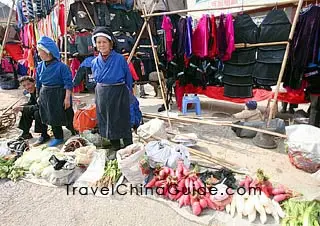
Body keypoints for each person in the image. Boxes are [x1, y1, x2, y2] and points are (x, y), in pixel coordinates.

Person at [91, 27, 133, 159]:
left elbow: (128, 77)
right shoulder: (94, 62)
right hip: (102, 94)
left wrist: (129, 93)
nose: (101, 45)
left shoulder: (120, 59)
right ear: (95, 45)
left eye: (104, 42)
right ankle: (115, 146)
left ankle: (128, 147)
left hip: (118, 93)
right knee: (107, 120)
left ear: (111, 43)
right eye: (99, 42)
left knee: (122, 119)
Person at [36, 36, 77, 147]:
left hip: (59, 93)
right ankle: (58, 137)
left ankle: (74, 131)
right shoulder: (40, 66)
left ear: (47, 52)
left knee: (67, 113)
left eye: (40, 51)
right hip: (46, 94)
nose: (38, 54)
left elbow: (68, 83)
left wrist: (67, 98)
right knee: (51, 116)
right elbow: (38, 82)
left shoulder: (61, 67)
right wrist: (38, 95)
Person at [13, 76, 50, 145]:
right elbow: (31, 103)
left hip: (50, 111)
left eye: (28, 84)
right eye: (24, 86)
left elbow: (40, 106)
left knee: (37, 112)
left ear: (34, 82)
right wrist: (21, 107)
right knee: (25, 109)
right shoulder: (32, 92)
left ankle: (44, 134)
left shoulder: (41, 91)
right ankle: (26, 132)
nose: (27, 87)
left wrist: (23, 108)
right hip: (42, 109)